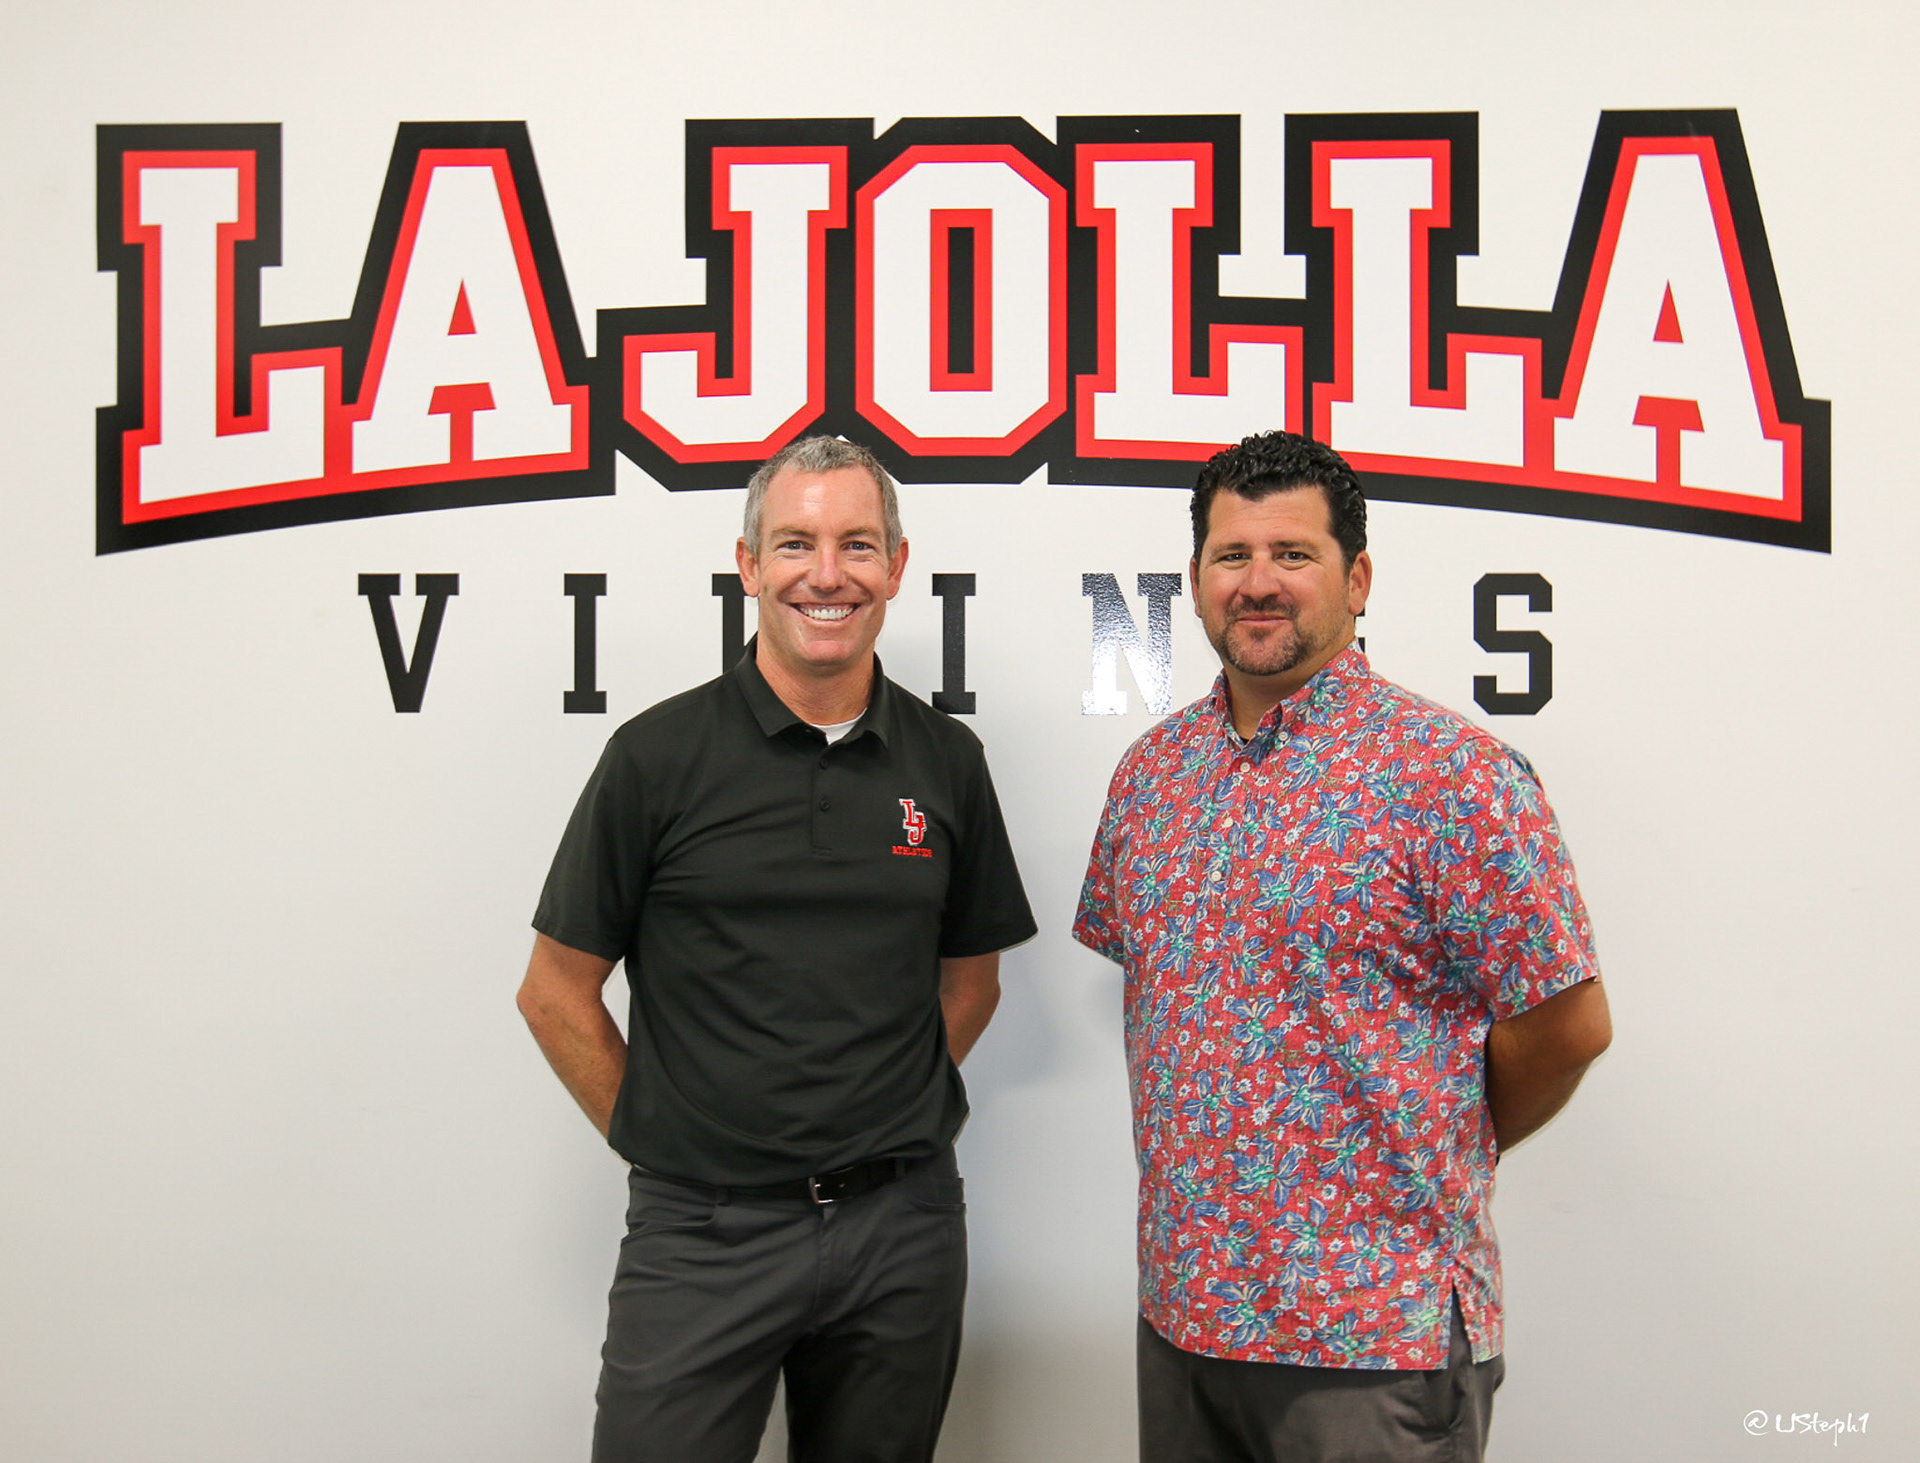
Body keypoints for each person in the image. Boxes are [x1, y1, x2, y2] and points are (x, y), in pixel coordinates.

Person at [1073, 431, 1611, 1463]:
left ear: (1357, 579)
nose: (1258, 581)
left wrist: (1441, 1135)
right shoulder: (1150, 777)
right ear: (1197, 578)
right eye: (1232, 555)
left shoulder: (1452, 774)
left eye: (1294, 553)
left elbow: (1569, 1024)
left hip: (1372, 1334)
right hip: (1184, 1317)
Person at [518, 435, 1036, 1463]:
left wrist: (879, 1104)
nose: (827, 574)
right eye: (796, 543)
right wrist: (669, 1138)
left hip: (901, 1232)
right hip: (702, 1233)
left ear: (896, 564)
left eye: (857, 544)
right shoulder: (656, 756)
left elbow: (972, 982)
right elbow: (554, 991)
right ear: (749, 564)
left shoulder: (947, 759)